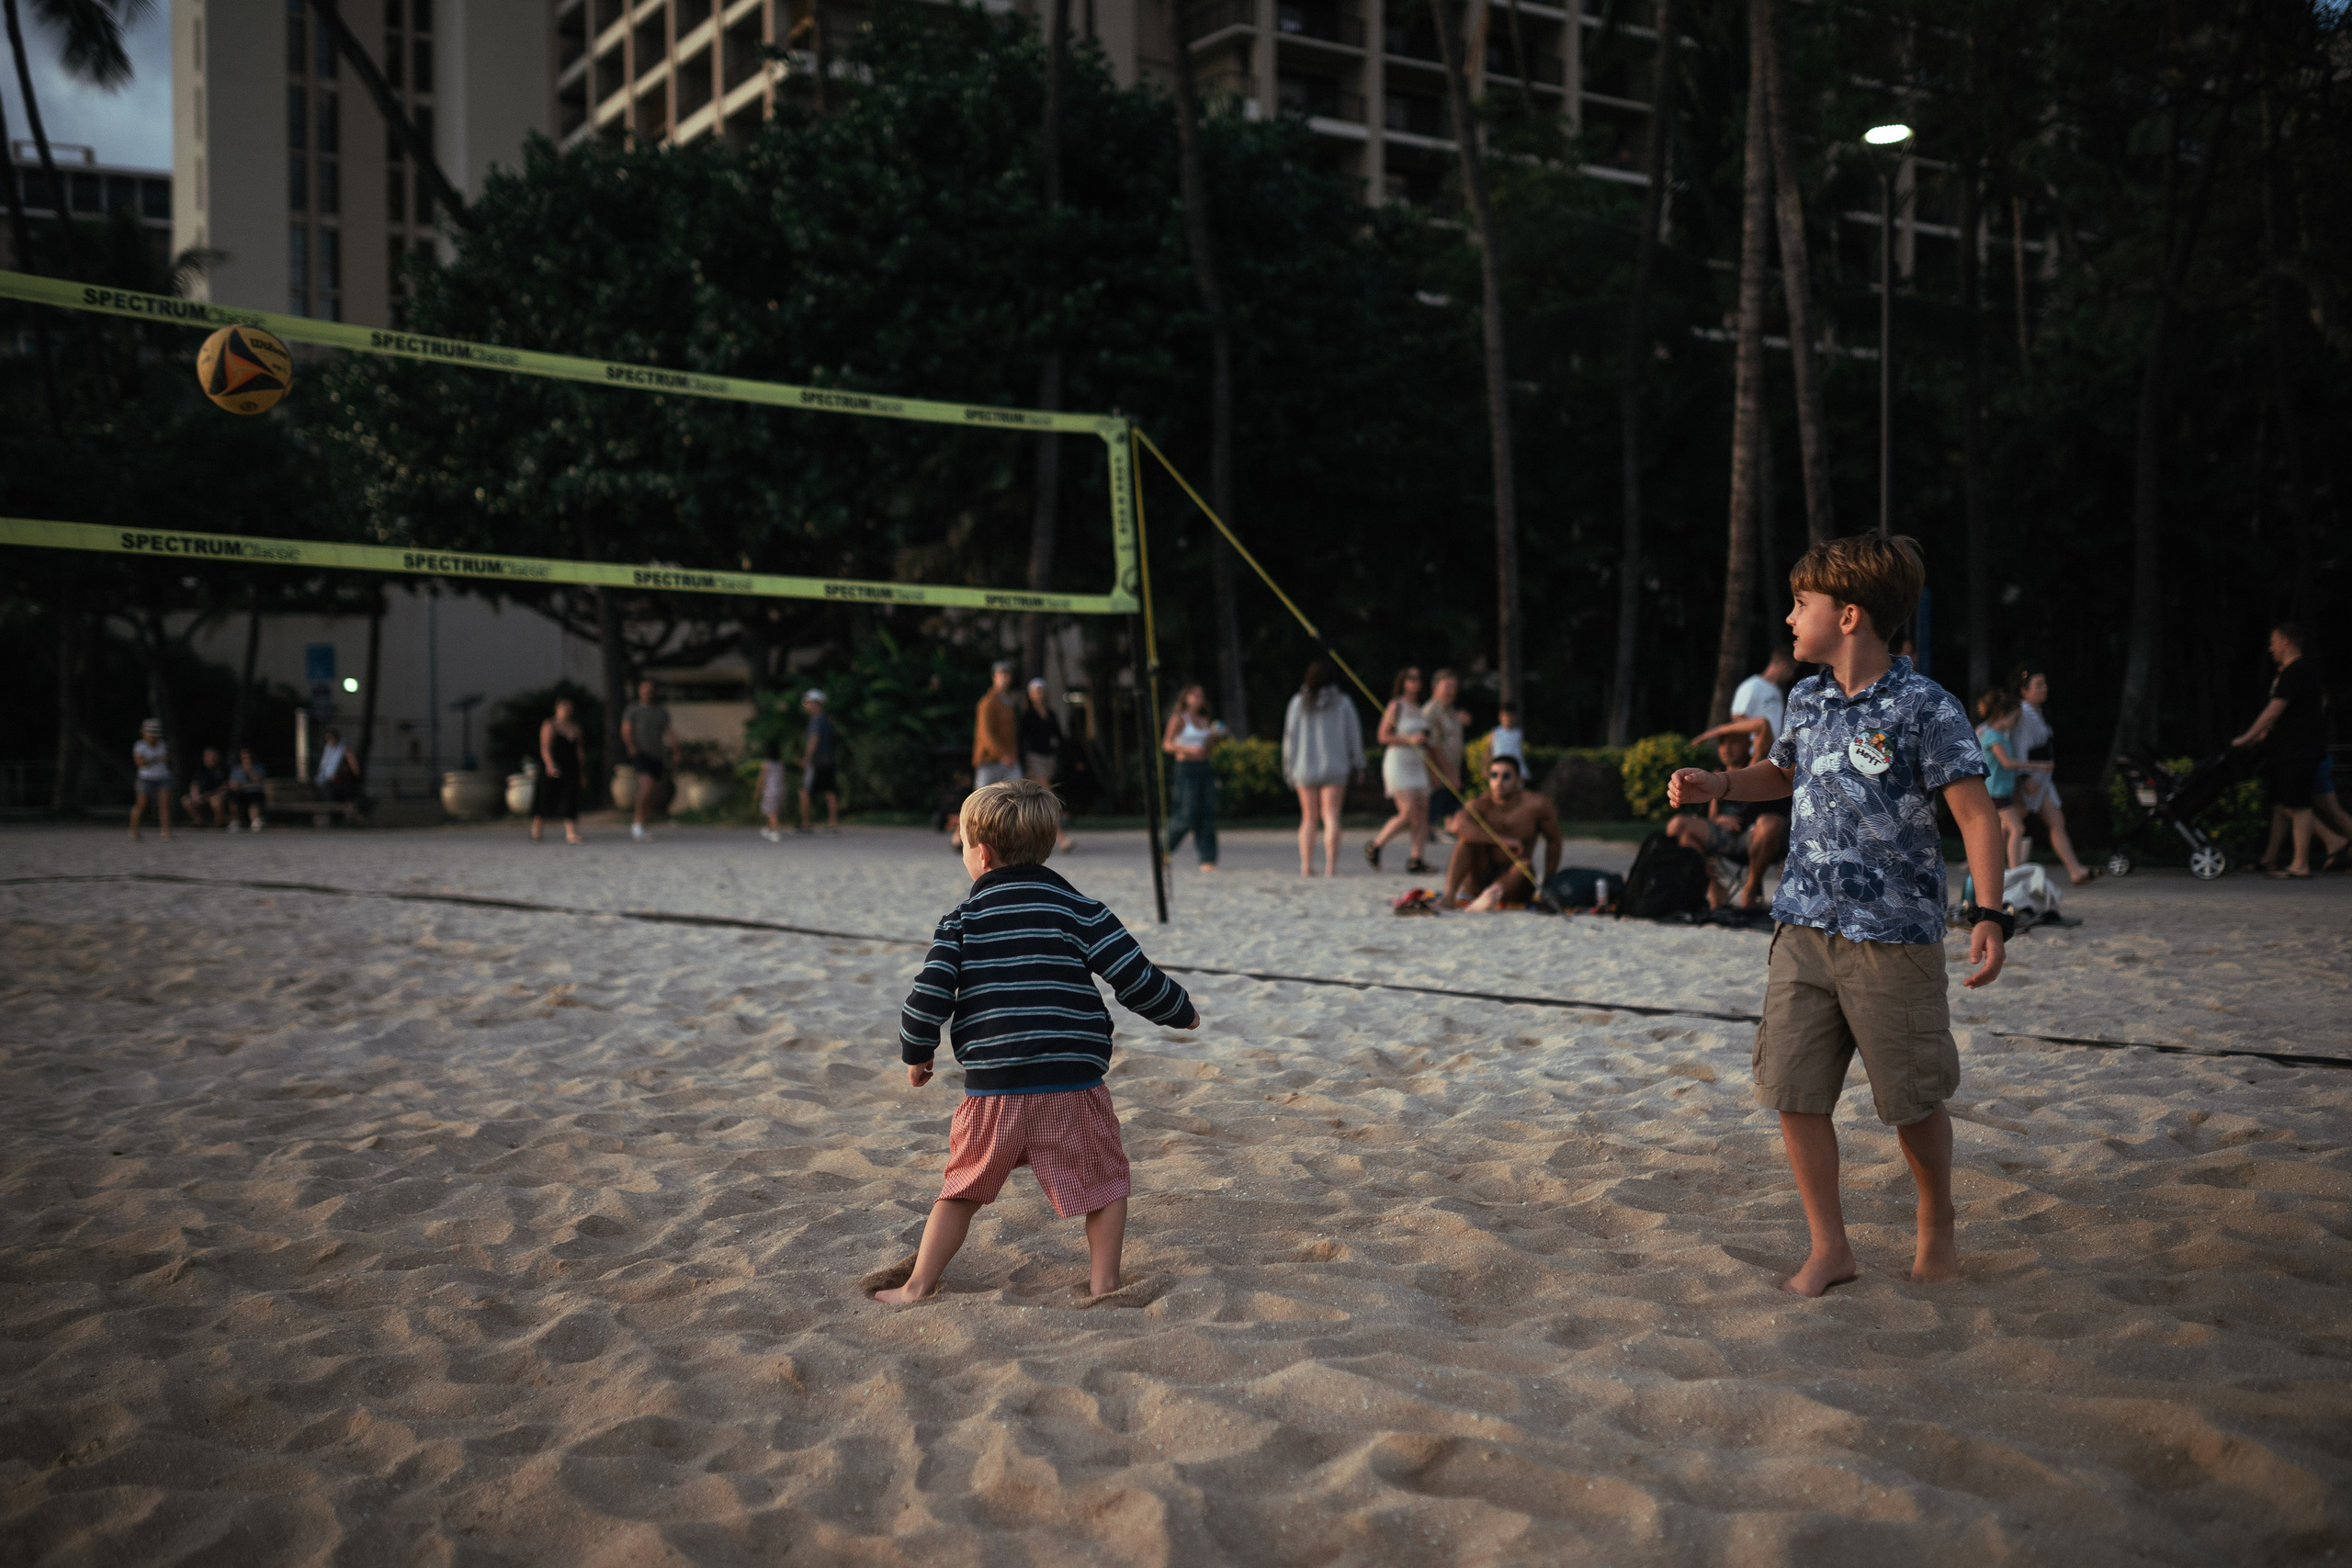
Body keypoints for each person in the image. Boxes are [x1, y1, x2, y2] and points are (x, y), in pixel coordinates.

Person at [1668, 532, 2009, 1299]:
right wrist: (1719, 784)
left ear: (1849, 615)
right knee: (1792, 1088)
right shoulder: (1808, 698)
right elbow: (1781, 774)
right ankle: (1831, 1247)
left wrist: (1989, 912)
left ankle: (1936, 1227)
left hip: (1894, 940)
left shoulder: (1927, 706)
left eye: (1802, 603)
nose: (1790, 617)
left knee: (1912, 1100)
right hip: (1801, 927)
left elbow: (1978, 818)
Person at [876, 778, 1199, 1305]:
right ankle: (1103, 1284)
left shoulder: (961, 920)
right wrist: (1180, 1012)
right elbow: (1135, 976)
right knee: (1105, 1182)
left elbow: (928, 995)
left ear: (982, 853)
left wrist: (917, 1052)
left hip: (993, 1092)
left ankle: (916, 1285)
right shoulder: (1082, 910)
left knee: (961, 1189)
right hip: (1072, 1085)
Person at [2233, 625, 2333, 879]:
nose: (2271, 648)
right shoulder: (2299, 673)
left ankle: (2301, 865)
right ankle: (2273, 858)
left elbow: (2274, 710)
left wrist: (2248, 736)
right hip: (2288, 749)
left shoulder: (2296, 671)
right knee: (2282, 804)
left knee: (2299, 806)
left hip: (2299, 750)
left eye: (2274, 642)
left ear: (2286, 641)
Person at [1666, 730, 1789, 909]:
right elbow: (1712, 817)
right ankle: (1714, 886)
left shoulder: (1756, 765)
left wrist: (1710, 733)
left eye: (1733, 743)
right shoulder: (1717, 773)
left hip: (1758, 836)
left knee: (1768, 823)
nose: (1726, 749)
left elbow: (1762, 725)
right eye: (1722, 744)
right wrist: (1718, 821)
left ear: (1749, 743)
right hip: (1728, 838)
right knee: (1678, 826)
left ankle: (1751, 888)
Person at [1442, 753, 1562, 909]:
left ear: (1519, 780)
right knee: (1466, 842)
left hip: (1515, 881)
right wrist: (1504, 840)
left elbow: (1554, 840)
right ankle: (1449, 896)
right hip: (1481, 874)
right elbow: (1457, 826)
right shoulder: (1481, 804)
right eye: (1494, 775)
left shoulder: (1536, 805)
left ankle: (1489, 897)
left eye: (1506, 776)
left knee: (1524, 865)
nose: (1499, 782)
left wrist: (1548, 881)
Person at [2007, 668, 2095, 886]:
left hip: (2042, 776)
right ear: (2024, 691)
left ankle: (2075, 870)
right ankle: (1992, 866)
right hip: (2031, 777)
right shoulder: (2024, 713)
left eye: (2044, 684)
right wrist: (2026, 776)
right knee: (2012, 824)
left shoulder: (2036, 712)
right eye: (2038, 685)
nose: (2044, 688)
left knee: (2054, 820)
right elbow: (2021, 746)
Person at [1282, 660, 1363, 876]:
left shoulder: (1298, 703)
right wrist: (1359, 762)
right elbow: (1353, 735)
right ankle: (1331, 867)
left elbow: (1290, 738)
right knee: (1332, 815)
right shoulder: (1343, 703)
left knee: (1308, 818)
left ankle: (1306, 865)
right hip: (1335, 767)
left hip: (1304, 767)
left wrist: (1288, 767)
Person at [1366, 667, 1431, 872]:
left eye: (1419, 678)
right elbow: (1383, 736)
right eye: (1411, 678)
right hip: (1399, 762)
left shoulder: (1420, 708)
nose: (1416, 682)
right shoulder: (1397, 706)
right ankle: (1376, 845)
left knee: (1422, 812)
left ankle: (1416, 858)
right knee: (1407, 812)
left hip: (1418, 764)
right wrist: (1410, 740)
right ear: (1402, 681)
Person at [1160, 683, 1224, 872]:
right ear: (1186, 698)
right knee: (1187, 813)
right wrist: (1188, 749)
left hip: (1204, 768)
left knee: (1206, 813)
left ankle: (1208, 859)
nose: (1198, 699)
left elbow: (1207, 750)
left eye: (1201, 696)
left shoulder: (1205, 720)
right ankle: (1163, 851)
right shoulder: (1179, 719)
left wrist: (1212, 739)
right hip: (1186, 768)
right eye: (1194, 695)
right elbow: (1167, 745)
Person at [1694, 647, 1797, 755]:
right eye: (1793, 669)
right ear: (1784, 665)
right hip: (1754, 753)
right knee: (1763, 723)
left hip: (1772, 753)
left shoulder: (1777, 690)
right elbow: (1737, 717)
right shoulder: (1752, 686)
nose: (1793, 675)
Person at [1020, 677, 1076, 853]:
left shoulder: (1050, 714)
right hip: (1034, 758)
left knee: (1036, 800)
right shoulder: (1028, 716)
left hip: (1048, 758)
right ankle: (1061, 837)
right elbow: (1023, 739)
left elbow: (1058, 736)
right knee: (1047, 795)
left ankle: (1032, 838)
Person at [1975, 687, 2030, 870]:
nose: (2016, 723)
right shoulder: (1991, 735)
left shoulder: (1996, 734)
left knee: (2002, 832)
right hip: (1996, 791)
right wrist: (2038, 765)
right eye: (2015, 718)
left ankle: (1992, 868)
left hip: (2000, 791)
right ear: (2002, 714)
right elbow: (2007, 763)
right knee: (2017, 829)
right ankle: (2015, 871)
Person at [622, 679, 675, 842]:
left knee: (652, 792)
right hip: (641, 755)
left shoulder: (661, 712)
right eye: (645, 689)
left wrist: (676, 749)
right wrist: (632, 749)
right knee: (646, 788)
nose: (648, 692)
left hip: (657, 755)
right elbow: (626, 730)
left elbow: (669, 732)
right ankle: (637, 823)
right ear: (640, 691)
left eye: (651, 689)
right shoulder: (633, 711)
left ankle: (643, 824)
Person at [1422, 669, 1471, 837]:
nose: (1452, 691)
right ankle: (1424, 833)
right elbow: (1432, 746)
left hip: (1451, 769)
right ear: (1435, 687)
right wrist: (1445, 774)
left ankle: (1449, 830)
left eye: (1454, 687)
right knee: (1437, 803)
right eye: (1447, 686)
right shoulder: (1431, 712)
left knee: (1452, 804)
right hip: (1438, 770)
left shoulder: (1449, 710)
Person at [532, 696, 586, 846]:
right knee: (546, 797)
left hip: (572, 767)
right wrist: (550, 764)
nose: (567, 711)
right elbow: (545, 748)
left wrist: (581, 772)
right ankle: (537, 828)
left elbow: (579, 751)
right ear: (557, 708)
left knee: (571, 798)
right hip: (554, 766)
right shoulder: (550, 724)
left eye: (569, 708)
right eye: (564, 707)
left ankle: (571, 833)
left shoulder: (575, 728)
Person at [972, 661, 1022, 790]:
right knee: (982, 799)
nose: (1005, 679)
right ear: (994, 677)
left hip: (1009, 759)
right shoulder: (987, 702)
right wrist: (1001, 755)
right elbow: (985, 733)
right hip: (990, 759)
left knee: (1017, 794)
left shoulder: (1009, 702)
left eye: (1007, 675)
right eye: (1001, 675)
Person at [800, 688, 841, 835]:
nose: (807, 706)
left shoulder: (816, 720)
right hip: (828, 760)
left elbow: (814, 738)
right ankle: (832, 824)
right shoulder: (827, 719)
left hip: (817, 762)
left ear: (817, 704)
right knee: (830, 792)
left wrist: (806, 757)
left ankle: (806, 824)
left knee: (805, 791)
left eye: (809, 703)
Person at [129, 719, 172, 841]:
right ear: (144, 734)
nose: (153, 737)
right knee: (142, 804)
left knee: (165, 804)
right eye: (151, 734)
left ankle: (165, 831)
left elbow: (168, 760)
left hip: (163, 776)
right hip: (145, 778)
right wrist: (157, 759)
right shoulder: (139, 746)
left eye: (155, 735)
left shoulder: (163, 744)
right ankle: (134, 829)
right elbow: (140, 763)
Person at [182, 747, 232, 829]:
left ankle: (220, 823)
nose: (210, 759)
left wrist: (210, 795)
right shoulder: (200, 770)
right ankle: (198, 821)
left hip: (216, 796)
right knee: (185, 800)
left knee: (215, 800)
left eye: (212, 756)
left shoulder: (223, 769)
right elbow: (194, 784)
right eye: (207, 756)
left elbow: (225, 787)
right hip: (202, 797)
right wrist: (195, 796)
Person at [315, 728, 363, 804]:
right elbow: (324, 763)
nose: (329, 740)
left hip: (342, 778)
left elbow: (351, 760)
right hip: (331, 779)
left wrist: (355, 772)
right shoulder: (328, 748)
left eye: (330, 738)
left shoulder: (343, 748)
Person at [226, 748, 266, 832]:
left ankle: (255, 821)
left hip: (254, 792)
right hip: (241, 792)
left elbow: (258, 781)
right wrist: (240, 786)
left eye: (248, 758)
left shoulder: (258, 767)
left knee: (254, 798)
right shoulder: (236, 769)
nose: (246, 760)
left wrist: (249, 770)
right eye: (244, 758)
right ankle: (235, 822)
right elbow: (232, 785)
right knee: (233, 798)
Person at [1487, 705, 1524, 772]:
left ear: (1515, 717)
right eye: (1505, 716)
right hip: (1499, 767)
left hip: (1515, 768)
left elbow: (1520, 752)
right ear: (1500, 717)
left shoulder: (1518, 733)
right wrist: (1485, 766)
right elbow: (1489, 749)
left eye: (1511, 716)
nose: (1508, 719)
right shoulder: (1495, 732)